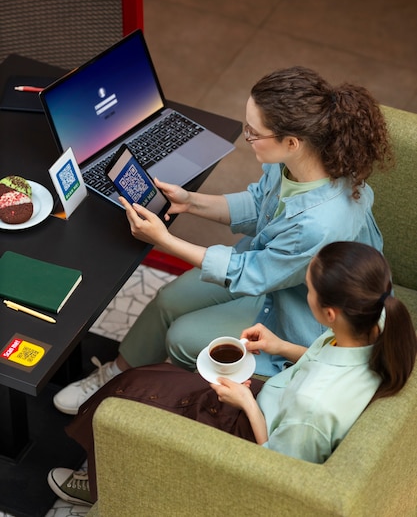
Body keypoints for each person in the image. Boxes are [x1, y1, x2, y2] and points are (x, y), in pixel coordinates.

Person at [54, 66, 393, 416]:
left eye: (253, 132)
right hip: (275, 275)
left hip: (305, 318)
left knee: (183, 339)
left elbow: (251, 273)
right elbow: (259, 203)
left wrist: (164, 241)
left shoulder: (320, 223)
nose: (247, 137)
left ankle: (163, 402)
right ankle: (116, 374)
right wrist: (190, 202)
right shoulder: (299, 163)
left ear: (291, 142)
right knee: (168, 299)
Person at [47, 241, 417, 506]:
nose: (305, 297)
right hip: (273, 400)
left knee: (124, 400)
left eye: (307, 291)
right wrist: (281, 347)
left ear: (331, 313)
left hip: (254, 434)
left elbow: (279, 469)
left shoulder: (314, 406)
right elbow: (325, 359)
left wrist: (247, 404)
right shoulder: (375, 322)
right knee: (144, 379)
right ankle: (104, 464)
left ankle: (100, 486)